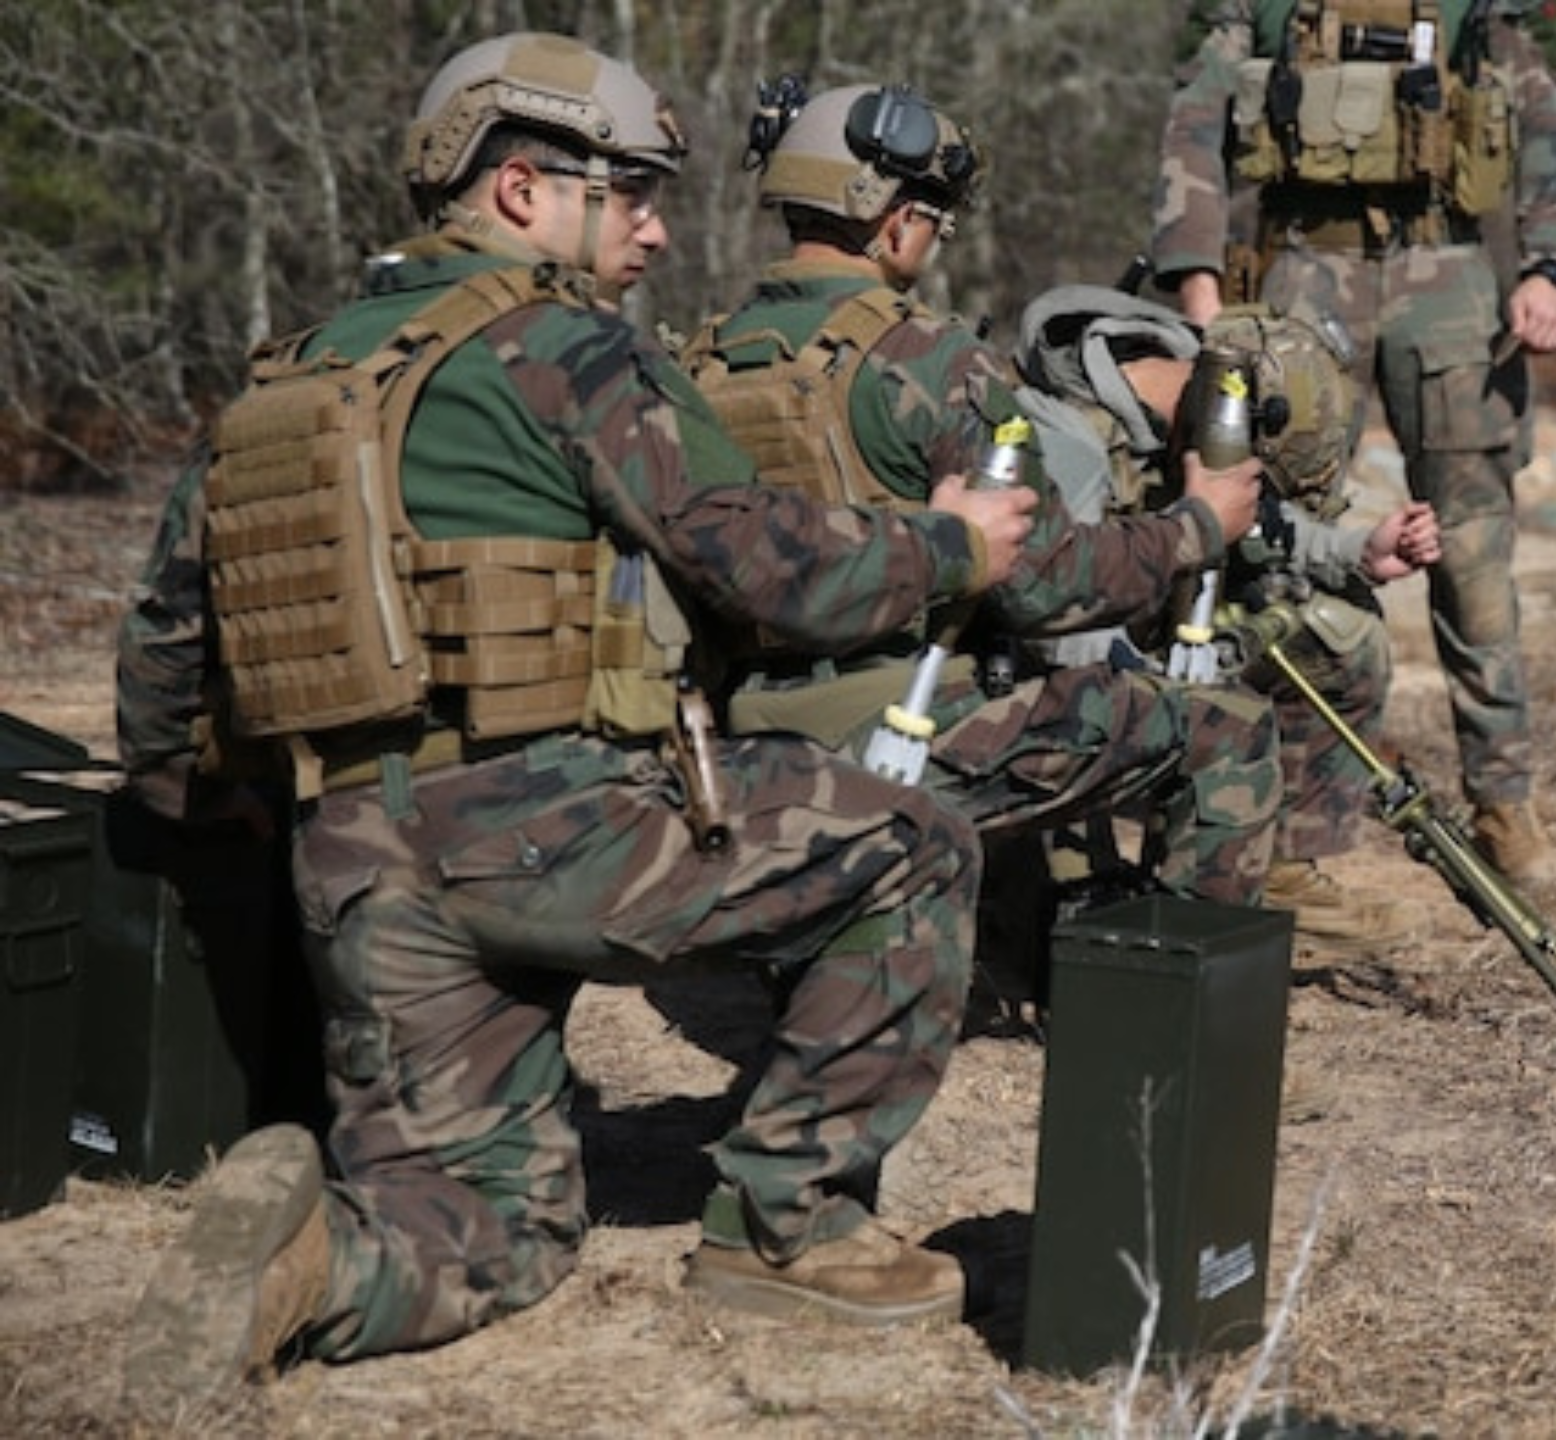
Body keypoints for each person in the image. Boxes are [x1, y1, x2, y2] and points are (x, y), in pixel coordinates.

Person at [113, 33, 1037, 1415]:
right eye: (635, 193)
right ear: (525, 189)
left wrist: (205, 802)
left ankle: (305, 1266)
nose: (661, 228)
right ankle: (791, 1229)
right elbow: (768, 564)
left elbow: (165, 658)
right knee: (915, 843)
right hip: (564, 831)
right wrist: (953, 546)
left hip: (360, 867)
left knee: (499, 1229)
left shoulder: (286, 374)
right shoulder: (565, 347)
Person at [683, 80, 1281, 934]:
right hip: (901, 728)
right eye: (934, 218)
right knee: (1224, 728)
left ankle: (1005, 942)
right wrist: (1194, 525)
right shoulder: (928, 359)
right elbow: (1040, 584)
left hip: (739, 741)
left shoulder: (698, 363)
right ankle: (1170, 1017)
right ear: (893, 219)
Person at [1150, 0, 1556, 887]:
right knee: (1272, 544)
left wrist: (1548, 265)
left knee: (1473, 556)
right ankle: (1269, 815)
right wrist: (1197, 274)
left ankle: (1503, 799)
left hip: (1449, 274)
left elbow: (1544, 112)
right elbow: (1195, 112)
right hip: (1305, 265)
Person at [1010, 284, 1440, 960]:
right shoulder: (1070, 442)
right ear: (1224, 425)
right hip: (1052, 661)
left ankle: (1282, 872)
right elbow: (1050, 617)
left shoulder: (1204, 388)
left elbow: (1256, 514)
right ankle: (1091, 891)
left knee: (1343, 632)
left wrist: (1358, 550)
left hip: (1157, 626)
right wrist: (1156, 682)